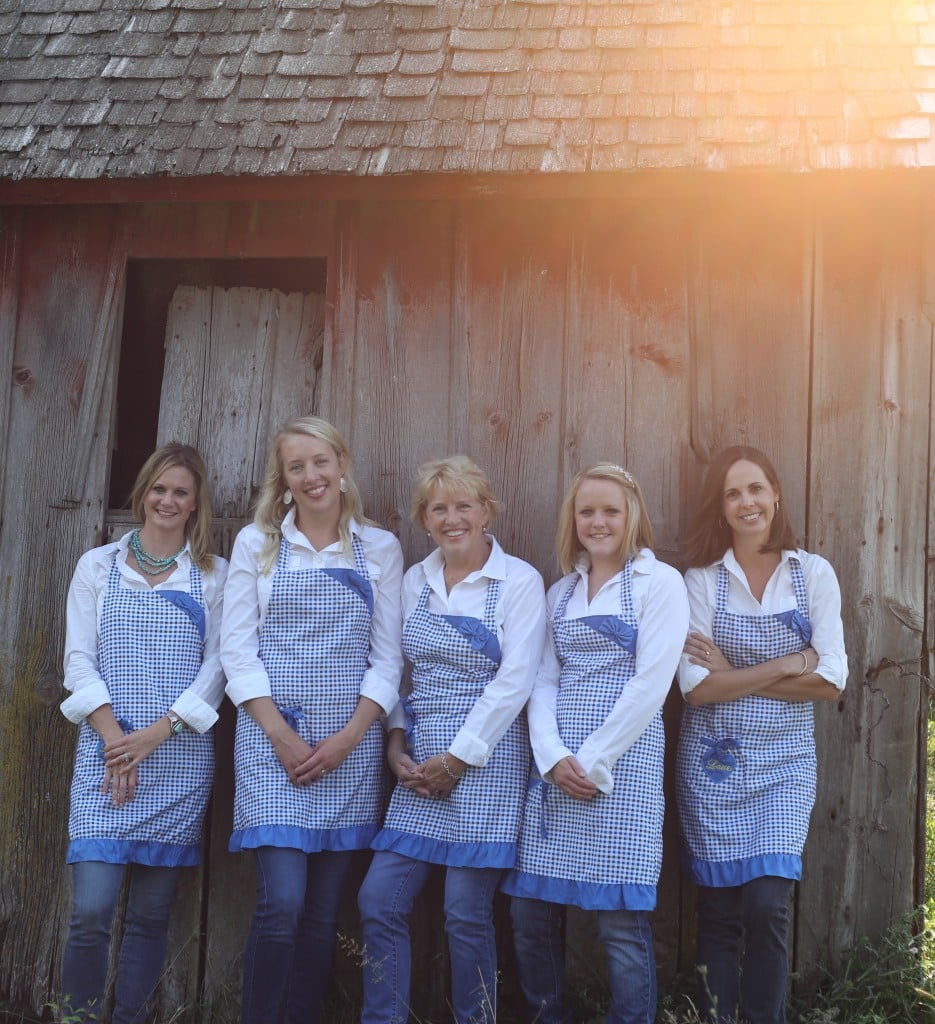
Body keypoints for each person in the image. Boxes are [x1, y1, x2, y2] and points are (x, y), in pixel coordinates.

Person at [221, 415, 403, 1024]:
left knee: (324, 913)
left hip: (348, 748)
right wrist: (280, 735)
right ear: (284, 477)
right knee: (282, 904)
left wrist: (349, 739)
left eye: (320, 461)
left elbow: (387, 658)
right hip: (271, 744)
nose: (311, 476)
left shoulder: (379, 548)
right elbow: (237, 651)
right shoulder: (257, 543)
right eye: (296, 466)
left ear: (342, 464)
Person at [358, 455, 546, 1024]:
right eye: (438, 508)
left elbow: (516, 681)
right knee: (378, 901)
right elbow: (398, 671)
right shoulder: (415, 580)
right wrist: (395, 743)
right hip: (419, 763)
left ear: (487, 511)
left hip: (486, 762)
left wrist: (459, 759)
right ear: (424, 518)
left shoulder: (519, 581)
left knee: (465, 912)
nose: (452, 518)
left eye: (464, 505)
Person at [504, 462, 688, 1024]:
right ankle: (547, 1016)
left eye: (611, 510)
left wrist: (593, 759)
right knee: (529, 912)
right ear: (573, 519)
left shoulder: (660, 583)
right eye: (587, 511)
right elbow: (542, 679)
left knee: (620, 923)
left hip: (622, 769)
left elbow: (651, 684)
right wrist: (553, 755)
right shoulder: (560, 592)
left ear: (633, 515)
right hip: (554, 770)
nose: (598, 521)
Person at [676, 445, 847, 1024]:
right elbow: (697, 689)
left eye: (755, 489)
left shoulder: (813, 573)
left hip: (785, 764)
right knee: (719, 911)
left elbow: (831, 682)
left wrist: (734, 673)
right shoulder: (701, 580)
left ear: (775, 495)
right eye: (732, 493)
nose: (746, 502)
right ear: (720, 507)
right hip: (714, 765)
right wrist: (788, 663)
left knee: (768, 904)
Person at [59, 443, 227, 1024]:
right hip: (105, 755)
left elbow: (219, 667)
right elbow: (79, 661)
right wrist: (116, 742)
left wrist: (158, 734)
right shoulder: (98, 565)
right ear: (142, 493)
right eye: (159, 488)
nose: (167, 501)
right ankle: (76, 1018)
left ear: (195, 503)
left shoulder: (213, 575)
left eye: (181, 492)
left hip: (178, 759)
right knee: (91, 911)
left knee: (151, 917)